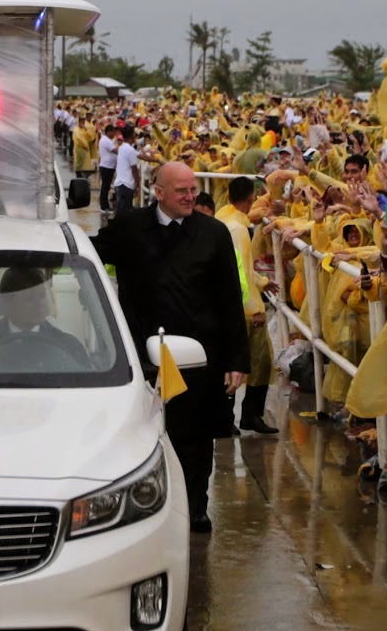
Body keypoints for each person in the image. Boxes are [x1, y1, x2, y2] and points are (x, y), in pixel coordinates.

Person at [92, 161, 247, 533]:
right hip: (141, 356)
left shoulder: (214, 233)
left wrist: (237, 360)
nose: (191, 196)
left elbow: (230, 298)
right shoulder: (130, 227)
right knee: (143, 434)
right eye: (182, 191)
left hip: (199, 357)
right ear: (158, 192)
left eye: (193, 189)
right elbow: (89, 253)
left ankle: (195, 506)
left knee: (196, 438)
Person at [211, 175, 275, 435]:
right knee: (259, 362)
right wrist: (251, 308)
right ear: (251, 198)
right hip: (242, 309)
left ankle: (227, 418)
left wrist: (261, 282)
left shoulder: (225, 219)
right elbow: (237, 272)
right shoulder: (238, 230)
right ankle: (247, 416)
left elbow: (243, 270)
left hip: (230, 304)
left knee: (230, 363)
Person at [0, 264, 91, 367]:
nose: (40, 304)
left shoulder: (68, 344)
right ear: (8, 303)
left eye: (42, 295)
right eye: (29, 298)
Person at [110, 127, 141, 212]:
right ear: (132, 136)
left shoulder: (121, 148)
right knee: (126, 211)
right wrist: (137, 184)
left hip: (119, 184)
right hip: (127, 185)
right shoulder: (130, 150)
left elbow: (141, 156)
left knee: (121, 210)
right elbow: (134, 169)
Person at [96, 123, 119, 213]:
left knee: (106, 186)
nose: (114, 135)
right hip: (107, 166)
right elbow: (116, 151)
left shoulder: (106, 140)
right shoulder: (106, 141)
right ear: (109, 132)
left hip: (107, 166)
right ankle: (104, 206)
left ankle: (104, 205)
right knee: (105, 187)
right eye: (113, 132)